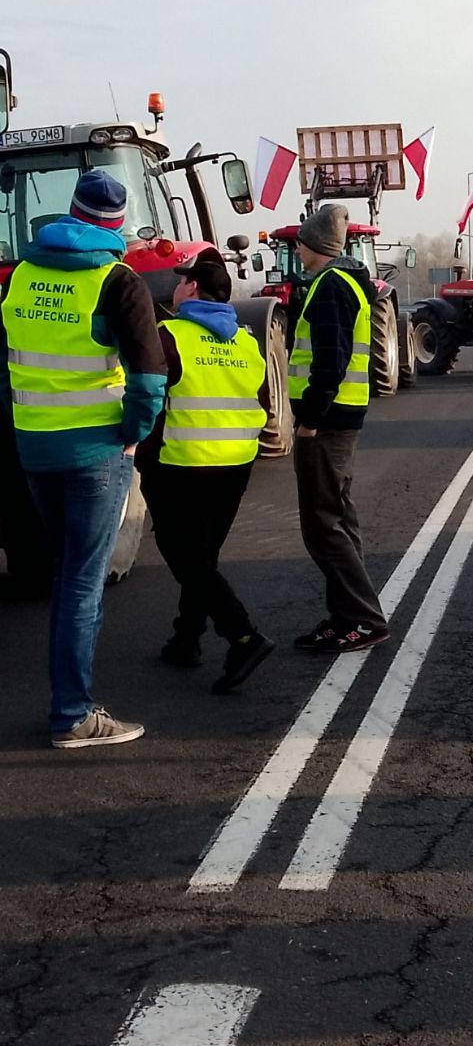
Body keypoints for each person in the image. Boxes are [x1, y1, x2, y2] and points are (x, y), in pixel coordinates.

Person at [0, 170, 167, 748]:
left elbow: (5, 364)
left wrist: (21, 424)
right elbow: (149, 375)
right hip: (97, 451)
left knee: (66, 571)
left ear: (69, 212)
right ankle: (72, 713)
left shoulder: (21, 274)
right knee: (81, 582)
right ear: (117, 225)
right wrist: (133, 435)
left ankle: (73, 702)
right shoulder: (117, 280)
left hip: (35, 447)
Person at [137, 250, 274, 693]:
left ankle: (243, 636)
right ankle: (186, 639)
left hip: (181, 463)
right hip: (235, 464)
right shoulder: (246, 340)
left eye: (181, 282)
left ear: (192, 288)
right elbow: (263, 403)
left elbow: (149, 396)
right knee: (203, 556)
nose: (175, 288)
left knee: (186, 556)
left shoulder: (171, 335)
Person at [288, 204, 388, 653]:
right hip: (341, 417)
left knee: (322, 525)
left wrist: (309, 419)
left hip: (327, 423)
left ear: (313, 245)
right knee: (339, 519)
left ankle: (364, 620)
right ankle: (345, 616)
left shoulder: (330, 287)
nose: (296, 248)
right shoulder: (346, 281)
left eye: (300, 241)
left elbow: (330, 361)